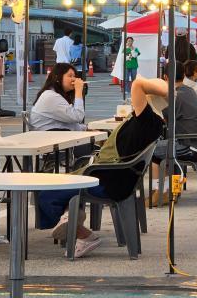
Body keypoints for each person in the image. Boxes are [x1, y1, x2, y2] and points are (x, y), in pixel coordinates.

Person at [37, 75, 166, 258]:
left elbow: (138, 83)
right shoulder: (154, 124)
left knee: (47, 193)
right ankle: (69, 216)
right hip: (119, 179)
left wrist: (169, 90)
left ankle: (83, 234)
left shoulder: (147, 120)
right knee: (63, 190)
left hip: (109, 180)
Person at [149, 61, 197, 206]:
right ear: (184, 75)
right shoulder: (188, 90)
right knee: (167, 150)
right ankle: (171, 190)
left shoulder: (174, 96)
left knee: (152, 152)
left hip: (193, 146)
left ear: (165, 77)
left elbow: (163, 119)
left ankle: (159, 193)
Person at [30, 63, 86, 132]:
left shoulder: (55, 94)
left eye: (74, 76)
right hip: (47, 138)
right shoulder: (51, 96)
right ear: (57, 78)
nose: (74, 79)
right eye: (70, 76)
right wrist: (78, 91)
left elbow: (70, 123)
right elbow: (78, 116)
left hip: (54, 135)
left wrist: (86, 128)